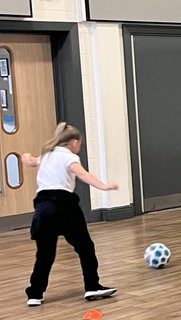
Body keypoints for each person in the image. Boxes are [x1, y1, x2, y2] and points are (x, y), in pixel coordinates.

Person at [22, 122, 118, 306]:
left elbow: (30, 161)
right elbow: (83, 175)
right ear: (74, 142)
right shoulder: (69, 157)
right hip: (64, 206)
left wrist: (25, 156)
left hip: (43, 208)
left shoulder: (46, 155)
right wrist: (104, 186)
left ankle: (35, 294)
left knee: (45, 254)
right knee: (85, 248)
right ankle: (92, 286)